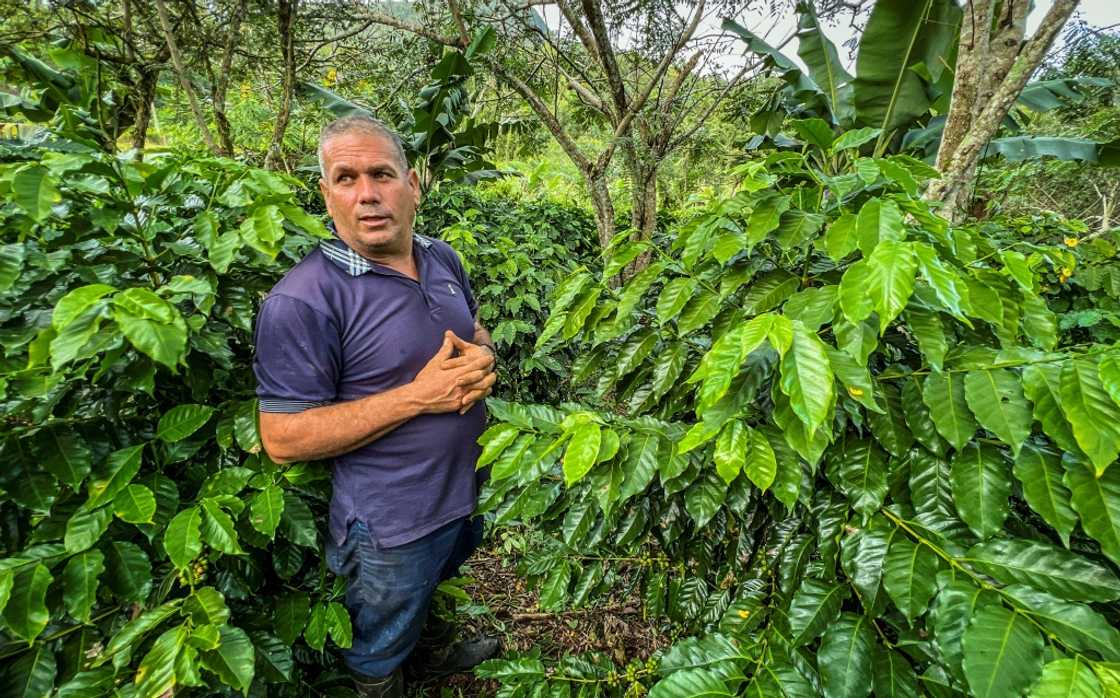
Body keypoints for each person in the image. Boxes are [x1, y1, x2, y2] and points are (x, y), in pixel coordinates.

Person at [252, 114, 500, 697]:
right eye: (346, 178)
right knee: (380, 635)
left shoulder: (442, 259)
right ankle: (383, 684)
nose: (367, 194)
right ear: (326, 192)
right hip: (391, 523)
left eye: (382, 174)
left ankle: (431, 652)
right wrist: (419, 397)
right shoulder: (304, 300)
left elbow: (476, 329)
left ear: (414, 184)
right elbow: (282, 439)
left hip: (463, 492)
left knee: (433, 588)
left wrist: (483, 357)